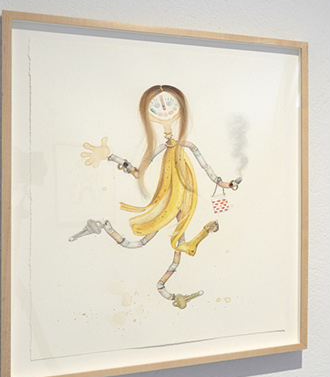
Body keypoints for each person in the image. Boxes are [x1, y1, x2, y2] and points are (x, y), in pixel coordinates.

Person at [69, 85, 241, 308]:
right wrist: (111, 157)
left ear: (181, 110)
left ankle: (163, 282)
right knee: (140, 243)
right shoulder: (159, 149)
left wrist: (225, 184)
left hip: (184, 201)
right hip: (166, 201)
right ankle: (106, 227)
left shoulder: (189, 145)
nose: (165, 113)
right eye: (156, 110)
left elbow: (208, 170)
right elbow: (138, 172)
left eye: (170, 107)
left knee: (173, 249)